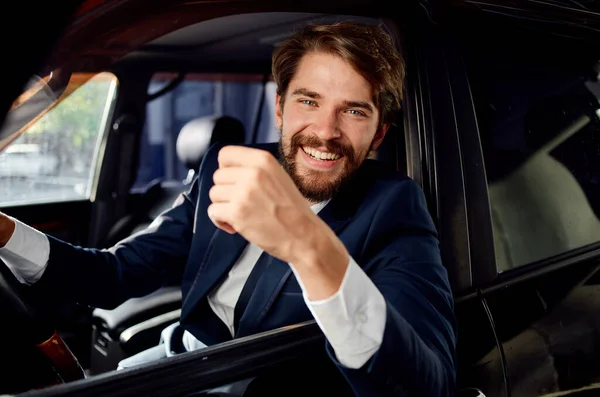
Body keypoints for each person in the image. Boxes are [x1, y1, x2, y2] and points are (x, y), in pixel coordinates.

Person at [0, 21, 456, 396]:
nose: (325, 131)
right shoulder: (228, 164)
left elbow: (424, 387)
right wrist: (5, 234)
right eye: (308, 101)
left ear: (378, 134)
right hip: (177, 363)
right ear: (280, 108)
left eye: (354, 111)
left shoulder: (395, 206)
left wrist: (308, 245)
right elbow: (115, 275)